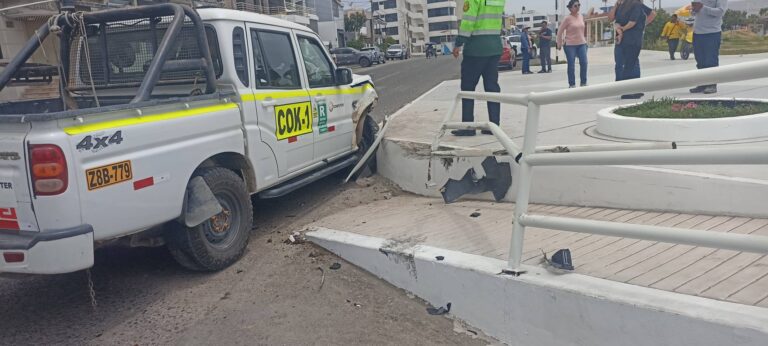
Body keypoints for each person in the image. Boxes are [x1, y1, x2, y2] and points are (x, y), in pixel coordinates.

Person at [451, 0, 505, 136]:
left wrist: (458, 43)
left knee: (468, 88)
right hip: (494, 47)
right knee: (492, 88)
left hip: (476, 49)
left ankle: (468, 127)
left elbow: (468, 21)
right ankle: (494, 125)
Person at [609, 0, 655, 81]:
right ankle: (620, 86)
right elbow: (611, 18)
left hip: (632, 38)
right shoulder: (619, 5)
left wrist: (641, 26)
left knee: (631, 64)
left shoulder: (635, 3)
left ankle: (633, 88)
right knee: (619, 63)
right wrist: (615, 6)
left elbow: (652, 14)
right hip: (619, 37)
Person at [690, 0, 728, 94]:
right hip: (697, 33)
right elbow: (694, 13)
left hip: (712, 33)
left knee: (710, 60)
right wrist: (694, 10)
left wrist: (703, 7)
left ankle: (712, 85)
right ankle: (702, 84)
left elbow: (720, 12)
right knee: (700, 60)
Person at [614, 0, 648, 99]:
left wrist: (620, 30)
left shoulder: (623, 6)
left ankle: (632, 90)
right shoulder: (636, 5)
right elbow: (632, 22)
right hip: (633, 39)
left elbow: (617, 22)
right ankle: (627, 92)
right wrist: (622, 29)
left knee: (630, 65)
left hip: (628, 40)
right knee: (630, 65)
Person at [557, 0, 588, 88]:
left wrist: (585, 41)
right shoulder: (567, 18)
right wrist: (559, 43)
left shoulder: (581, 16)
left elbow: (582, 30)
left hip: (582, 44)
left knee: (584, 63)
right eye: (575, 5)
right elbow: (560, 31)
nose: (578, 7)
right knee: (571, 65)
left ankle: (583, 82)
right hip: (570, 45)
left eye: (579, 5)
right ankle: (572, 84)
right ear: (570, 8)